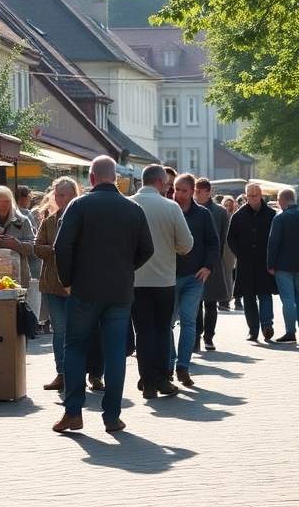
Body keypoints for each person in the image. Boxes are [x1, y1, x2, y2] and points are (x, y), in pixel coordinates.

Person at [52, 156, 153, 434]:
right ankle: (112, 417)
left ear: (91, 178)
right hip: (119, 292)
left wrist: (68, 281)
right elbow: (147, 249)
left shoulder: (79, 205)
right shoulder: (132, 209)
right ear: (116, 178)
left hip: (84, 290)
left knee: (74, 347)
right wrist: (124, 268)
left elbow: (62, 247)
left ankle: (73, 413)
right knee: (115, 354)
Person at [130, 165, 193, 399]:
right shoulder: (170, 207)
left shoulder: (129, 204)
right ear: (159, 181)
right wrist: (173, 248)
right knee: (162, 330)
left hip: (135, 279)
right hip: (164, 279)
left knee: (143, 331)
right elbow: (186, 244)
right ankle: (161, 378)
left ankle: (146, 381)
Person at [32, 176, 81, 391]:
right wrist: (54, 250)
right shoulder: (49, 221)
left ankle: (78, 372)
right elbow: (36, 247)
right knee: (59, 329)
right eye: (57, 195)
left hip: (75, 285)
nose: (60, 199)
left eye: (64, 195)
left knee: (76, 330)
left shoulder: (81, 219)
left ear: (73, 196)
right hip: (52, 283)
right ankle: (62, 373)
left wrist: (66, 251)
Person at [170, 173, 219, 386]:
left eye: (183, 190)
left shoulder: (203, 214)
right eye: (176, 189)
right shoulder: (168, 210)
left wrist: (208, 267)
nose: (178, 194)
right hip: (168, 277)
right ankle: (168, 365)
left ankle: (183, 366)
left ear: (193, 192)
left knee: (189, 322)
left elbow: (213, 244)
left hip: (193, 277)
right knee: (168, 323)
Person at [267, 188, 299, 344]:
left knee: (288, 298)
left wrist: (270, 263)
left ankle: (290, 332)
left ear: (282, 200)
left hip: (283, 265)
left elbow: (273, 242)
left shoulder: (280, 218)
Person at [227, 183, 277, 341]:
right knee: (248, 296)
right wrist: (239, 254)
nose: (253, 198)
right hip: (246, 262)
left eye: (256, 195)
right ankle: (253, 329)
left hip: (265, 260)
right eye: (250, 196)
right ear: (245, 196)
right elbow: (231, 238)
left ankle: (267, 325)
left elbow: (276, 237)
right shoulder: (239, 215)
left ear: (261, 195)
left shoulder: (271, 214)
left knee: (265, 293)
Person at [194, 178, 230, 352]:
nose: (197, 194)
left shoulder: (219, 211)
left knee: (210, 302)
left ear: (208, 192)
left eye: (200, 191)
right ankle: (195, 337)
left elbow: (223, 238)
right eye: (196, 190)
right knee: (195, 304)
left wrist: (215, 260)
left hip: (212, 262)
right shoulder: (190, 209)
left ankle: (209, 337)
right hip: (193, 262)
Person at [219, 196, 238, 310]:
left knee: (228, 274)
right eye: (225, 205)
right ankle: (221, 299)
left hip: (229, 249)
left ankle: (226, 300)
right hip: (221, 246)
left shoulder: (234, 217)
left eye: (229, 205)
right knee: (221, 274)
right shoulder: (220, 215)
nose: (227, 207)